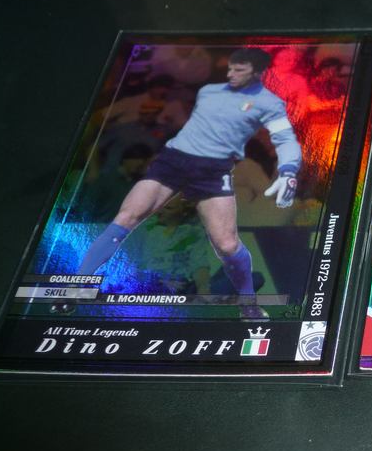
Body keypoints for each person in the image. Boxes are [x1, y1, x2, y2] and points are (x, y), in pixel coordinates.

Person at [77, 47, 301, 316]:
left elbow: (286, 141)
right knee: (126, 216)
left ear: (258, 73)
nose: (231, 74)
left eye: (239, 70)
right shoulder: (209, 92)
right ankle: (78, 285)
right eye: (231, 68)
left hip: (212, 172)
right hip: (173, 162)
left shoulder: (270, 104)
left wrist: (288, 171)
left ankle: (248, 304)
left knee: (227, 245)